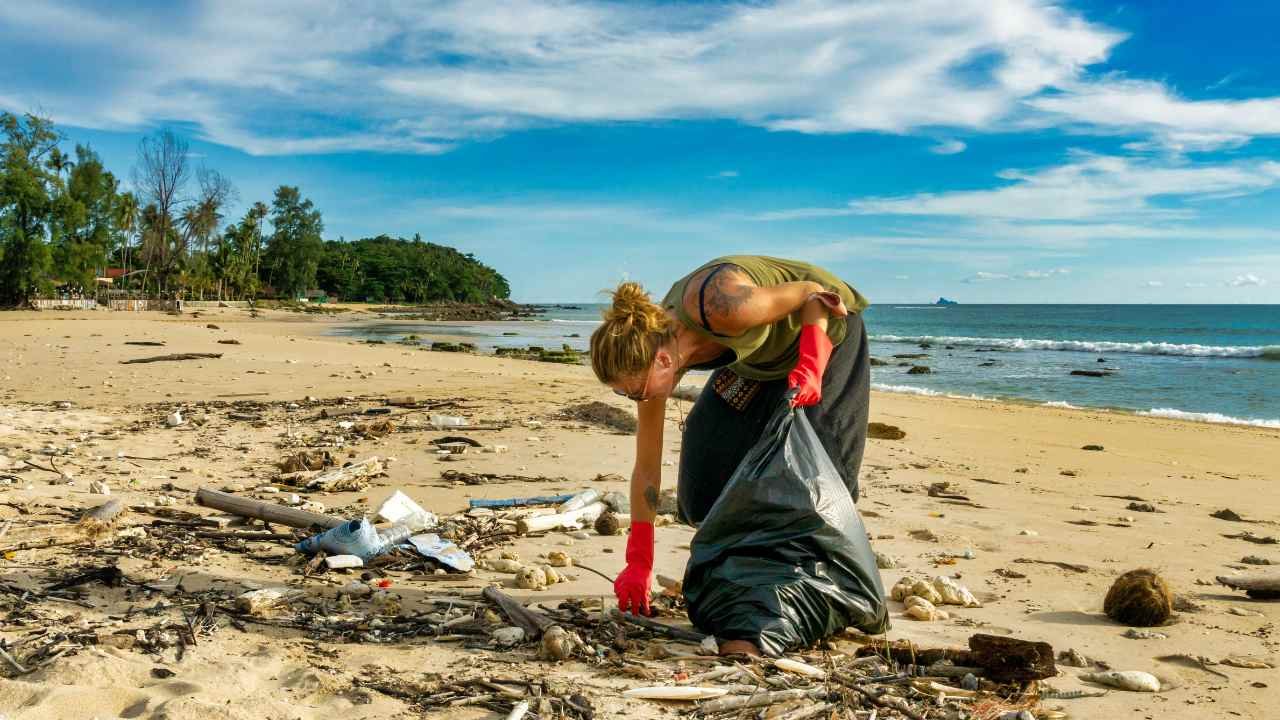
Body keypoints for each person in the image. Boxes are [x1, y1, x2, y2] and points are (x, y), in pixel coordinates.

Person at [588, 255, 872, 655]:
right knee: (701, 484)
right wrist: (639, 560)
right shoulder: (653, 359)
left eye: (634, 391)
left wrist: (811, 362)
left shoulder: (723, 305)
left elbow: (814, 295)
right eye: (625, 393)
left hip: (826, 334)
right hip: (757, 363)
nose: (637, 399)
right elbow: (648, 466)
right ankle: (743, 570)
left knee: (821, 476)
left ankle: (817, 587)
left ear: (664, 361)